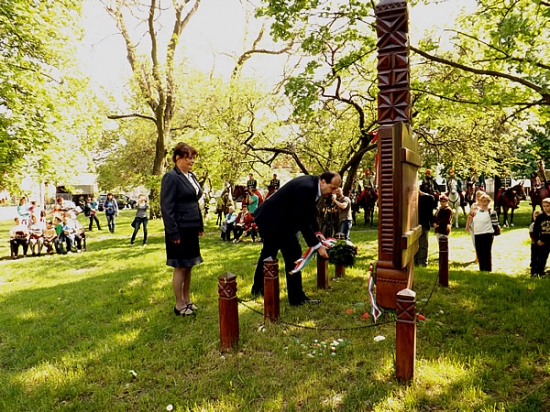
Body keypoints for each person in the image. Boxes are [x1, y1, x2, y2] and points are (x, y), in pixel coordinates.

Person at [250, 171, 342, 305]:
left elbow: (310, 212)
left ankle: (257, 289)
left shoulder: (313, 186)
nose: (333, 192)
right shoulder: (306, 187)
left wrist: (317, 232)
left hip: (278, 220)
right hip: (273, 221)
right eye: (332, 188)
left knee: (268, 254)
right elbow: (302, 220)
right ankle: (297, 299)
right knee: (293, 255)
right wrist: (317, 246)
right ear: (323, 182)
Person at [160, 142, 204, 317]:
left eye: (193, 158)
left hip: (191, 227)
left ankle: (187, 300)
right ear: (177, 158)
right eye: (188, 157)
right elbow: (166, 207)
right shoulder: (171, 177)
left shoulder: (191, 176)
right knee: (180, 266)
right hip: (179, 229)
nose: (192, 161)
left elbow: (194, 203)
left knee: (189, 265)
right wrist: (173, 232)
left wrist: (199, 225)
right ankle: (179, 305)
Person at [471, 194, 498, 272]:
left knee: (486, 252)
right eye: (482, 200)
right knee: (479, 252)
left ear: (488, 202)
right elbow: (472, 220)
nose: (483, 202)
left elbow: (495, 223)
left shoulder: (491, 212)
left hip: (487, 234)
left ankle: (488, 269)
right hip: (477, 234)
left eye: (485, 200)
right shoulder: (476, 211)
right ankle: (481, 269)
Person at [415, 186, 436, 267]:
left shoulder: (426, 198)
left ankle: (419, 261)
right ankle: (421, 261)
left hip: (419, 224)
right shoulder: (428, 198)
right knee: (422, 244)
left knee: (420, 244)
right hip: (422, 223)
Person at [465, 190, 484, 262]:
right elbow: (470, 216)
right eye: (477, 196)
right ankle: (477, 258)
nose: (478, 197)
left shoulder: (485, 205)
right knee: (475, 242)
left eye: (480, 196)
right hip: (472, 226)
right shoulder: (473, 205)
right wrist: (467, 226)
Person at [533, 197, 550, 277]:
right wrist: (538, 239)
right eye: (544, 206)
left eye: (547, 206)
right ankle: (540, 272)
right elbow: (536, 230)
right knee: (542, 257)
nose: (545, 208)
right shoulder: (540, 217)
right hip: (543, 240)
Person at [530, 210, 543, 277]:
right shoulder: (533, 225)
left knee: (541, 258)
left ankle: (540, 271)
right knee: (534, 257)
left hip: (543, 243)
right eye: (535, 217)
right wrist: (536, 241)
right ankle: (533, 271)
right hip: (535, 243)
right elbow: (531, 234)